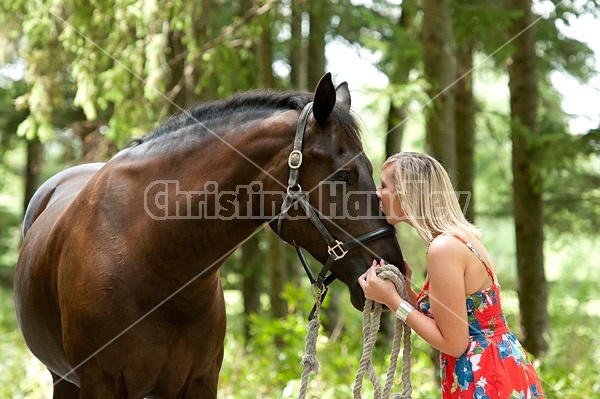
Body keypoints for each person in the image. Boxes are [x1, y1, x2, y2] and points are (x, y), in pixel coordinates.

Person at [358, 152, 544, 398]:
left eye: (384, 185)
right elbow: (455, 319)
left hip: (485, 379)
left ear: (407, 193)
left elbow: (454, 344)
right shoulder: (458, 238)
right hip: (498, 367)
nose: (377, 193)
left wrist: (393, 301)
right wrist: (406, 291)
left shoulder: (444, 248)